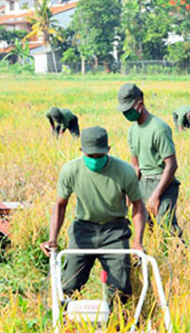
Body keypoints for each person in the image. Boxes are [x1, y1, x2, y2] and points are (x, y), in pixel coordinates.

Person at [41, 126, 146, 304]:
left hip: (115, 230)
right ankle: (67, 323)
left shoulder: (124, 171)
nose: (95, 160)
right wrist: (53, 239)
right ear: (81, 151)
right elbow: (60, 205)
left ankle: (116, 325)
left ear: (108, 150)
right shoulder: (71, 171)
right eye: (91, 156)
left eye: (99, 156)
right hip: (83, 230)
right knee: (69, 283)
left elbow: (138, 205)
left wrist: (138, 242)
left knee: (120, 287)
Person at [117, 83, 181, 235]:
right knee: (146, 225)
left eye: (128, 109)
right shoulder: (133, 130)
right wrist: (128, 193)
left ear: (140, 104)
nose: (126, 114)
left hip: (163, 183)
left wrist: (156, 195)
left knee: (166, 225)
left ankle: (180, 255)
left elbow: (171, 165)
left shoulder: (159, 128)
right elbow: (136, 167)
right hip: (143, 183)